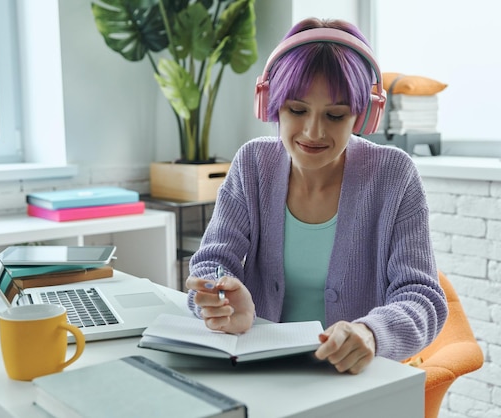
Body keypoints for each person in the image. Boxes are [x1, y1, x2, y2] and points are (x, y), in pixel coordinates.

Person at [185, 17, 448, 374]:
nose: (313, 131)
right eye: (296, 110)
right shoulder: (253, 164)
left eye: (336, 115)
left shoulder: (394, 175)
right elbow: (213, 260)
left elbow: (423, 298)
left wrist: (371, 333)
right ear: (270, 104)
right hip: (263, 370)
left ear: (363, 116)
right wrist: (219, 296)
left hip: (354, 379)